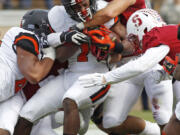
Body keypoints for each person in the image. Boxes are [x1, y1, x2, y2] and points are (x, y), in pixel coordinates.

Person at [0, 9, 57, 135]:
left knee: (5, 128)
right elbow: (34, 75)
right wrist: (50, 56)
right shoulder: (25, 35)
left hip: (8, 93)